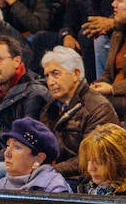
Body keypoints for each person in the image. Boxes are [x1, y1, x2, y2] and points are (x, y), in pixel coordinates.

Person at [0, 36, 52, 187]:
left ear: (17, 61)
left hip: (30, 161)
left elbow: (25, 146)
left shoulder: (34, 94)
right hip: (6, 157)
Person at [38, 46, 117, 182]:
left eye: (55, 74)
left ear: (75, 74)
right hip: (54, 174)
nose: (50, 82)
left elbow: (90, 157)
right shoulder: (50, 107)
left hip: (83, 179)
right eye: (47, 76)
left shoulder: (98, 107)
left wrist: (50, 171)